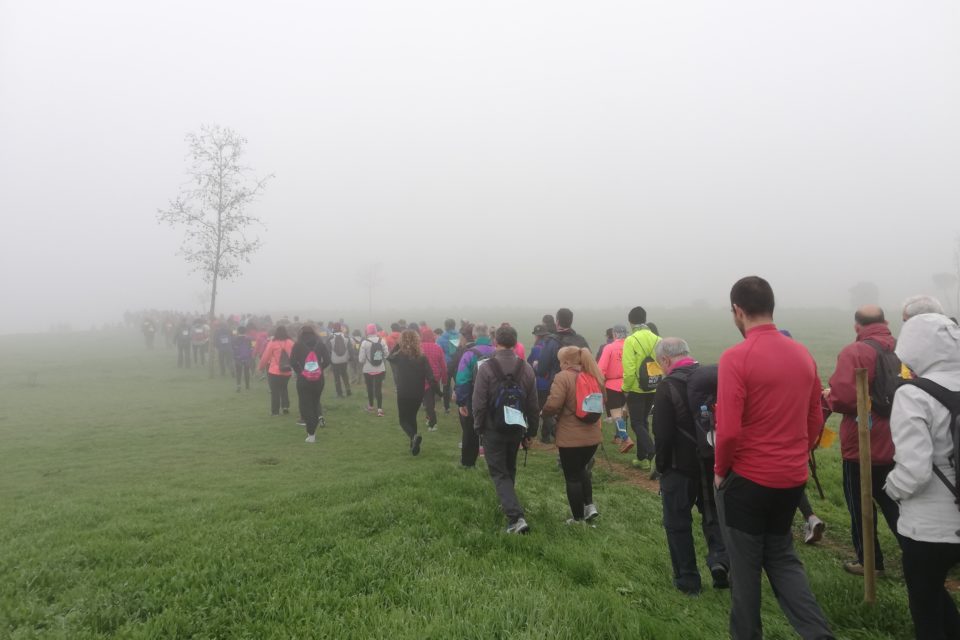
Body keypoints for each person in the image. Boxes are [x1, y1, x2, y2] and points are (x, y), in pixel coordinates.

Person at [714, 276, 833, 640]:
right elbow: (816, 418)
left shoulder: (736, 357)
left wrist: (720, 471)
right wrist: (797, 453)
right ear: (772, 306)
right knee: (782, 558)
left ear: (738, 310)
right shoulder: (802, 353)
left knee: (745, 572)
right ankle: (817, 633)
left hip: (747, 480)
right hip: (790, 479)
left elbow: (729, 429)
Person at [884, 313, 960, 640]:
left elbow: (914, 470)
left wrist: (891, 489)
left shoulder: (913, 394)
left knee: (927, 608)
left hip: (930, 528)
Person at [822, 305, 901, 576]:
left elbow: (844, 399)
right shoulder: (900, 348)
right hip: (898, 437)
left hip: (863, 441)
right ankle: (915, 552)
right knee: (894, 500)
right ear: (886, 322)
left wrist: (828, 396)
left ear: (857, 326)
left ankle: (869, 561)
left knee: (860, 504)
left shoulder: (855, 351)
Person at [651, 338, 729, 595]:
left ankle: (688, 580)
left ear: (665, 360)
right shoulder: (710, 378)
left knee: (677, 522)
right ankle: (720, 561)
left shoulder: (668, 387)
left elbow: (662, 434)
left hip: (679, 465)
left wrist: (661, 465)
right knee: (714, 516)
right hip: (711, 460)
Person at [472, 325, 540, 533]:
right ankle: (509, 503)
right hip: (517, 427)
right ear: (515, 342)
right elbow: (533, 405)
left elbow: (479, 402)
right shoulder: (526, 368)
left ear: (496, 342)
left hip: (493, 428)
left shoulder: (486, 367)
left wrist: (478, 426)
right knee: (510, 468)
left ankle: (515, 517)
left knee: (499, 472)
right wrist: (531, 432)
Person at [541, 346, 603, 524]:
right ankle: (589, 506)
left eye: (560, 362)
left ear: (567, 362)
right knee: (582, 469)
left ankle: (577, 519)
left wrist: (543, 413)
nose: (560, 365)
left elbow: (554, 404)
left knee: (572, 477)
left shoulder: (563, 377)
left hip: (570, 438)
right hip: (592, 437)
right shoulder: (593, 375)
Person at [536, 309, 590, 443]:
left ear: (557, 321)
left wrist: (538, 367)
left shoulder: (552, 341)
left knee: (553, 413)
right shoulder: (581, 340)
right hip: (581, 383)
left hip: (558, 383)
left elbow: (542, 369)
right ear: (571, 321)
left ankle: (563, 438)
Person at [387, 330, 441, 455]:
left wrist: (398, 345)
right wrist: (440, 393)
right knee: (412, 417)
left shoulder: (399, 357)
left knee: (403, 420)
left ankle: (414, 436)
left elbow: (389, 357)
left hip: (404, 392)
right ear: (417, 342)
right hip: (418, 393)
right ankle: (414, 446)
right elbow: (431, 379)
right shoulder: (422, 358)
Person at [622, 306, 661, 474]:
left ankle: (653, 453)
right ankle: (641, 458)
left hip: (637, 388)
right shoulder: (658, 338)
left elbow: (629, 369)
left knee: (636, 423)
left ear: (630, 321)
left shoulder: (631, 340)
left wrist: (626, 388)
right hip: (653, 386)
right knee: (643, 421)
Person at [456, 323, 496, 467]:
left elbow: (462, 379)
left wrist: (462, 402)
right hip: (496, 399)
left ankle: (468, 463)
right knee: (493, 430)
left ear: (474, 336)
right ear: (489, 335)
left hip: (473, 399)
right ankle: (494, 462)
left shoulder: (470, 354)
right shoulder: (497, 352)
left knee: (470, 431)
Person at [290, 325, 331, 442]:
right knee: (315, 402)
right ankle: (315, 425)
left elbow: (292, 361)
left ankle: (311, 434)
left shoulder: (297, 345)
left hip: (304, 380)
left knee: (305, 405)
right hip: (319, 380)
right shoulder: (320, 343)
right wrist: (319, 369)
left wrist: (301, 372)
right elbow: (327, 360)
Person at [597, 324, 633, 451]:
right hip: (629, 384)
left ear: (614, 334)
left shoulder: (609, 348)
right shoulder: (631, 346)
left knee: (616, 414)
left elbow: (601, 368)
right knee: (624, 413)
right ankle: (618, 438)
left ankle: (625, 438)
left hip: (612, 385)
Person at [258, 325, 294, 416]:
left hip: (274, 371)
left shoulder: (272, 343)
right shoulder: (290, 342)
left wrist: (261, 367)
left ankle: (275, 412)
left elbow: (266, 356)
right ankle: (285, 406)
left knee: (275, 391)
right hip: (287, 370)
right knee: (284, 388)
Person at [419, 327, 447, 432]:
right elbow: (443, 366)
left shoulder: (419, 347)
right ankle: (429, 418)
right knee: (430, 399)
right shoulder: (438, 348)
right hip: (435, 377)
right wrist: (444, 380)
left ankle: (433, 423)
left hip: (422, 377)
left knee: (427, 401)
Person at [358, 323, 387, 416]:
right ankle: (380, 410)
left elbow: (361, 359)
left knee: (369, 388)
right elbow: (386, 354)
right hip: (380, 368)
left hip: (367, 369)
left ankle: (370, 406)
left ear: (367, 331)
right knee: (378, 389)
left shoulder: (364, 342)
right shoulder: (381, 340)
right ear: (375, 330)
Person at [437, 318, 461, 415]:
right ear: (454, 325)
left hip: (446, 364)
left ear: (445, 326)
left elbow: (439, 352)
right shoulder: (460, 336)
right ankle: (461, 404)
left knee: (446, 386)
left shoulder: (441, 338)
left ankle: (447, 407)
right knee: (459, 384)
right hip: (458, 364)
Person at [327, 323, 352, 398]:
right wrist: (351, 358)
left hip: (334, 360)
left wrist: (329, 360)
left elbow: (328, 350)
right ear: (340, 328)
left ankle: (339, 393)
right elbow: (350, 348)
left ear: (333, 328)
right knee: (345, 375)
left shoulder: (330, 338)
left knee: (336, 377)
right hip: (344, 360)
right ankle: (348, 391)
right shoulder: (346, 337)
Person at [231, 325, 254, 391]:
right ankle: (247, 386)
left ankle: (238, 386)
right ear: (245, 331)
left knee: (238, 372)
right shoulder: (249, 339)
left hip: (238, 358)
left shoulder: (234, 339)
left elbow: (233, 348)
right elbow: (252, 347)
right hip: (247, 357)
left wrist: (235, 356)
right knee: (246, 372)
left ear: (238, 331)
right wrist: (250, 355)